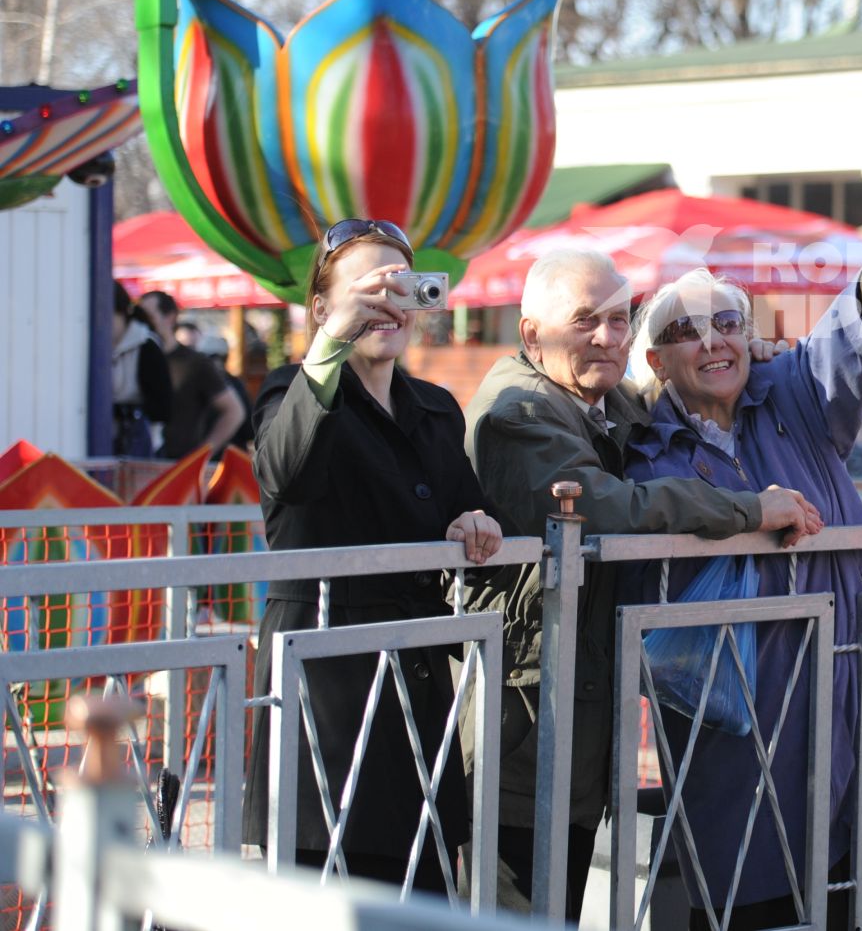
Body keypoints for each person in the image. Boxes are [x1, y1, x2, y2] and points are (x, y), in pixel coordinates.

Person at [623, 158, 862, 930]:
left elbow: (853, 348)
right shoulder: (648, 451)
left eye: (726, 322)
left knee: (840, 895)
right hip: (740, 727)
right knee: (743, 895)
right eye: (684, 330)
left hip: (845, 699)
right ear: (656, 362)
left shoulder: (794, 397)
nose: (712, 341)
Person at [460, 248, 823, 919]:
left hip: (574, 720)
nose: (609, 336)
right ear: (532, 331)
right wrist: (748, 508)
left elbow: (661, 391)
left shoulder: (598, 398)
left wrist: (737, 349)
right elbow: (604, 506)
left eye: (621, 318)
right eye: (585, 320)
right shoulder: (519, 408)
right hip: (523, 729)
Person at [243, 218, 505, 894]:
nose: (388, 304)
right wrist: (331, 345)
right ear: (322, 307)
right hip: (325, 696)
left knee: (420, 891)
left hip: (415, 686)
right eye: (368, 290)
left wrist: (477, 522)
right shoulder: (291, 390)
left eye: (402, 286)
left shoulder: (436, 408)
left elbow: (465, 508)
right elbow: (287, 473)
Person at [140, 290, 245, 463]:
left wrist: (202, 455)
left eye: (149, 316)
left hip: (178, 465)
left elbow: (234, 411)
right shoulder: (136, 358)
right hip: (141, 462)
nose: (144, 323)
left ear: (170, 317)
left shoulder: (194, 362)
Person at [109, 282, 172, 457]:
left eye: (109, 317)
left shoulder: (146, 346)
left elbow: (163, 408)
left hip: (142, 449)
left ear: (122, 313)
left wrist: (123, 410)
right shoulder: (97, 347)